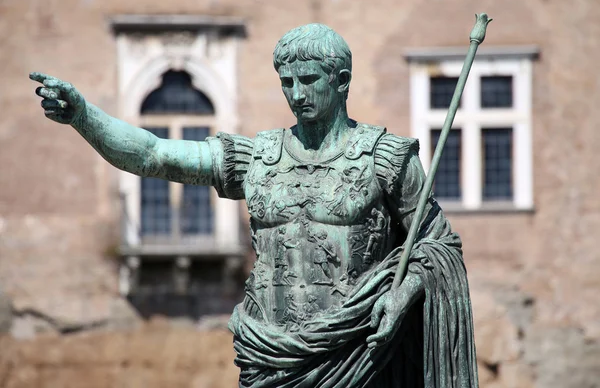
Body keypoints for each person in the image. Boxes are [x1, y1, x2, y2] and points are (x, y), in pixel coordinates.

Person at [30, 23, 478, 387]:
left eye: (308, 80)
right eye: (287, 82)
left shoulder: (386, 159)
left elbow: (439, 247)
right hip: (268, 356)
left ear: (341, 82)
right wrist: (83, 117)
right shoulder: (256, 159)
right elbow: (153, 154)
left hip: (356, 353)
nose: (296, 94)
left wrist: (403, 294)